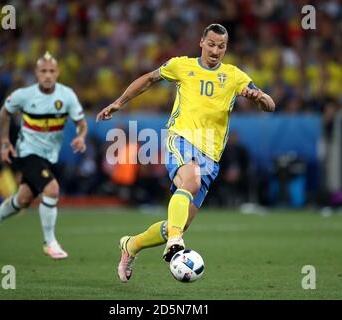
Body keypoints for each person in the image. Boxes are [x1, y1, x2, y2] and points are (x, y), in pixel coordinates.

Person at [96, 24, 275, 282]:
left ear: (226, 48)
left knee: (175, 224)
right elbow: (149, 79)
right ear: (201, 42)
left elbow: (270, 105)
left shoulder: (234, 76)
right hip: (180, 138)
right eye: (211, 44)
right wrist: (118, 103)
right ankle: (175, 243)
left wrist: (259, 97)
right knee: (191, 183)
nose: (215, 50)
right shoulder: (181, 65)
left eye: (221, 46)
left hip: (210, 156)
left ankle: (131, 245)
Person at [0, 52, 88, 259]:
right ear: (36, 74)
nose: (47, 75)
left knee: (23, 199)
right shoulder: (24, 95)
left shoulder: (67, 96)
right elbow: (5, 112)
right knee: (52, 189)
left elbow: (81, 124)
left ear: (57, 73)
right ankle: (50, 242)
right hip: (27, 152)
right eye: (43, 71)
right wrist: (5, 142)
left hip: (49, 156)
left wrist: (81, 137)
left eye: (51, 71)